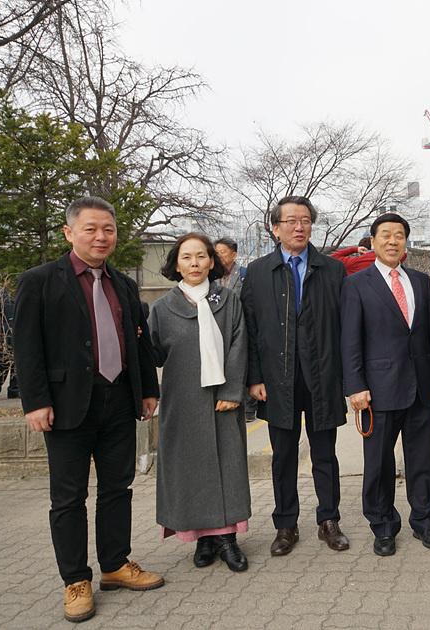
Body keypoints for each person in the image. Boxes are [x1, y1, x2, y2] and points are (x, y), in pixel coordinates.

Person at [14, 197, 163, 623]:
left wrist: (147, 390)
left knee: (119, 488)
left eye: (109, 230)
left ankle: (115, 565)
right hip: (65, 406)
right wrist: (36, 401)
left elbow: (138, 343)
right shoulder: (40, 281)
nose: (101, 237)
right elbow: (27, 348)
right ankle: (75, 580)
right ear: (69, 233)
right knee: (68, 497)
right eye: (91, 229)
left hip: (118, 400)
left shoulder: (123, 284)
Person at [241, 195, 350, 557]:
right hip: (277, 380)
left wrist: (348, 379)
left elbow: (345, 327)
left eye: (305, 220)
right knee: (283, 455)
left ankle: (328, 520)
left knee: (325, 454)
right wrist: (254, 378)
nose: (299, 227)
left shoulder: (332, 269)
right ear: (275, 228)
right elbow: (250, 331)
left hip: (322, 377)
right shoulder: (257, 272)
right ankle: (286, 525)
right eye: (290, 221)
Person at [340, 212, 430, 557]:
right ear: (372, 242)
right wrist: (355, 387)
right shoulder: (357, 284)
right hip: (378, 389)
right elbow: (350, 341)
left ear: (405, 242)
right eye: (385, 235)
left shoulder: (419, 280)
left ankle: (426, 521)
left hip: (421, 388)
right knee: (379, 465)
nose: (392, 241)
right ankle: (383, 526)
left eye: (399, 235)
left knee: (425, 460)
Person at [149, 233, 251, 573]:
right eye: (186, 257)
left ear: (212, 261)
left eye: (201, 256)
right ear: (176, 264)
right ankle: (202, 539)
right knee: (189, 470)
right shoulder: (163, 308)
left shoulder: (229, 300)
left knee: (227, 467)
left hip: (223, 401)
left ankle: (226, 539)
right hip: (182, 402)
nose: (194, 263)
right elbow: (153, 356)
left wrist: (232, 392)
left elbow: (239, 345)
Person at [214, 237, 255, 420]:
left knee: (243, 365)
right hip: (219, 329)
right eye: (216, 253)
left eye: (222, 252)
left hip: (242, 326)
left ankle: (249, 408)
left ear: (234, 254)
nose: (219, 256)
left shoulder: (245, 273)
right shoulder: (211, 276)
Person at [331, 236, 407, 275]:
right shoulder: (388, 259)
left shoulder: (354, 263)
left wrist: (354, 249)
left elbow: (334, 257)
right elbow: (404, 254)